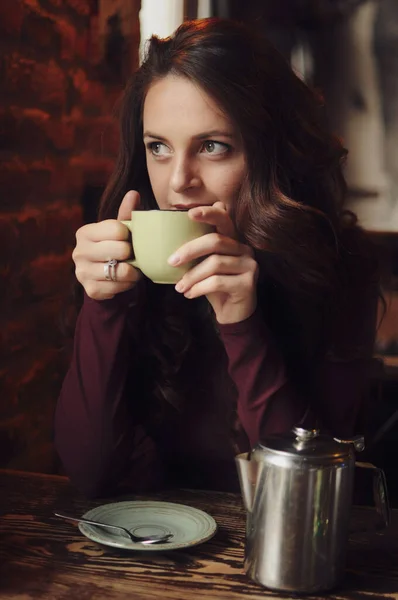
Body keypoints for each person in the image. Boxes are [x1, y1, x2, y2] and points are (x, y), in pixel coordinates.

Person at [55, 18, 380, 498]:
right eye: (158, 147)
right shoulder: (128, 259)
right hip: (146, 550)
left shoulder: (340, 268)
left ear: (272, 153)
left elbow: (301, 499)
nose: (178, 181)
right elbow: (86, 474)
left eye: (212, 146)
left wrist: (242, 325)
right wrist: (103, 306)